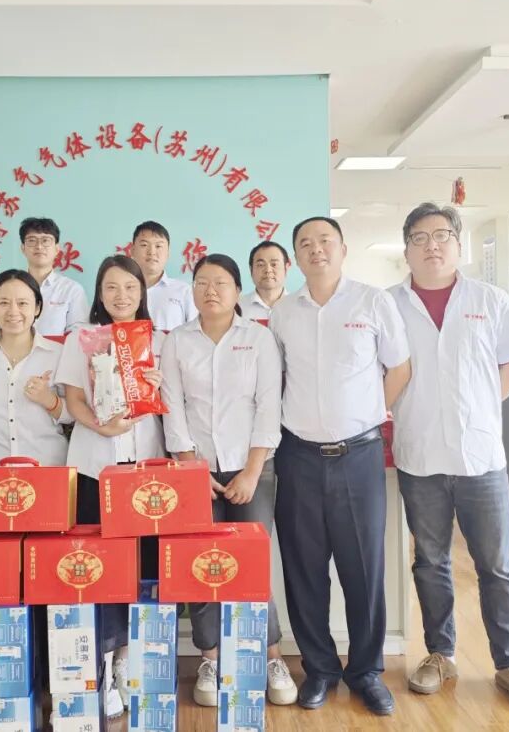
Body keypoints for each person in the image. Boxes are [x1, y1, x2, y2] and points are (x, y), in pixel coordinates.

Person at [388, 203, 509, 714]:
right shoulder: (389, 304)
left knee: (496, 566)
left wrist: (477, 408)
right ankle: (441, 654)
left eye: (441, 235)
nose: (431, 246)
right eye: (419, 238)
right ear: (407, 250)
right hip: (419, 457)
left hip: (481, 459)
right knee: (429, 562)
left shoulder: (490, 300)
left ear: (459, 244)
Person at [269, 216, 411, 716]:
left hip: (359, 456)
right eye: (305, 244)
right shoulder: (283, 313)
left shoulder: (373, 302)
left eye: (325, 241)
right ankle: (320, 669)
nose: (316, 250)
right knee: (304, 569)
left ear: (343, 249)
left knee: (363, 568)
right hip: (298, 456)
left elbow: (400, 368)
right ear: (296, 257)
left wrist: (369, 414)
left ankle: (366, 670)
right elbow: (276, 379)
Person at [160, 253, 297, 708]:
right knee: (201, 565)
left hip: (252, 467)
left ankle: (271, 656)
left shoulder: (258, 338)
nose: (210, 290)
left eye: (220, 282)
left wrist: (253, 471)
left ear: (238, 291)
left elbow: (268, 406)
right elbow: (172, 406)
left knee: (251, 564)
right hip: (194, 469)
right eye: (202, 282)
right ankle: (210, 658)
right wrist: (189, 468)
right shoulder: (177, 341)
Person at [54, 254, 166, 717]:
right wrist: (103, 428)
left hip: (146, 472)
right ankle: (98, 664)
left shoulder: (158, 340)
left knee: (142, 567)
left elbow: (175, 402)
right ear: (100, 293)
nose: (122, 296)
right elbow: (73, 399)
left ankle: (126, 660)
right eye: (112, 287)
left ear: (143, 293)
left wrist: (158, 383)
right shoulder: (82, 338)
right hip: (94, 466)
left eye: (130, 288)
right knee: (99, 567)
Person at [0, 269, 71, 467]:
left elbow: (74, 415)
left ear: (37, 307)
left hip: (48, 469)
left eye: (22, 303)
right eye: (4, 303)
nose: (13, 311)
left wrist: (49, 400)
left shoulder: (58, 354)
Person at [0, 216, 89, 336]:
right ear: (23, 248)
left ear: (57, 249)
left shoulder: (71, 289)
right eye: (32, 240)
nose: (39, 246)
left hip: (58, 349)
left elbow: (79, 335)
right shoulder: (4, 287)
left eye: (45, 240)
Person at [130, 220, 196, 331]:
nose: (152, 252)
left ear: (168, 252)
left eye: (158, 246)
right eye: (144, 245)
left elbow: (195, 333)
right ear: (132, 251)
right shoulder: (123, 291)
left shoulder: (184, 291)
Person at [239, 240, 290, 322]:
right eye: (260, 265)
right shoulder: (238, 308)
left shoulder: (298, 306)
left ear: (286, 268)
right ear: (251, 269)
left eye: (274, 264)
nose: (268, 270)